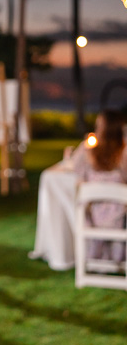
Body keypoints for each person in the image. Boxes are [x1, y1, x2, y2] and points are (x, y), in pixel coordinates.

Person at [72, 109, 127, 263]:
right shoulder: (124, 151)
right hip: (119, 215)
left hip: (92, 215)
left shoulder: (88, 149)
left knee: (79, 200)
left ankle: (93, 258)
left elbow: (76, 171)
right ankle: (117, 258)